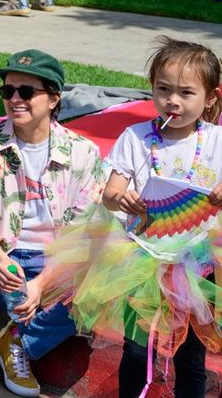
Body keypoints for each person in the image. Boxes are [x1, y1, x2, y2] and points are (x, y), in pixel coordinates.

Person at [42, 37, 221, 398]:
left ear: (211, 98)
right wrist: (121, 197)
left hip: (199, 262)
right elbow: (110, 194)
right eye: (164, 89)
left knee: (190, 355)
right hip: (141, 260)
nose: (173, 101)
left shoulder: (217, 140)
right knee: (138, 351)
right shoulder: (136, 138)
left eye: (186, 93)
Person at [0, 50, 103, 398]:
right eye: (8, 91)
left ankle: (18, 345)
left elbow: (80, 233)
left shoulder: (83, 153)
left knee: (98, 290)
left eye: (26, 92)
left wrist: (42, 283)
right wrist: (2, 260)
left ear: (54, 98)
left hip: (55, 259)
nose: (15, 99)